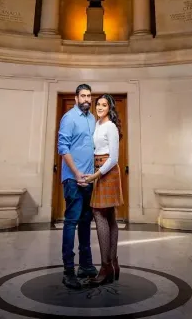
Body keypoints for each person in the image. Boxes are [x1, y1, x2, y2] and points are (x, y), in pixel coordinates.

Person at [57, 84, 98, 289]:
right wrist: (76, 173)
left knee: (85, 222)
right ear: (76, 98)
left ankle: (86, 265)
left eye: (89, 96)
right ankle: (68, 270)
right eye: (83, 96)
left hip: (89, 180)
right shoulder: (69, 118)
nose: (86, 100)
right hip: (73, 180)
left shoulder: (92, 119)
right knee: (71, 222)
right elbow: (62, 147)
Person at [82, 94, 123, 286]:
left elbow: (113, 158)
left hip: (107, 172)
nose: (99, 107)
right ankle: (113, 263)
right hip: (98, 170)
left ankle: (106, 266)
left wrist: (96, 175)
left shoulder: (111, 126)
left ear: (110, 108)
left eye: (104, 105)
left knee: (99, 214)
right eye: (98, 104)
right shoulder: (97, 124)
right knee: (110, 217)